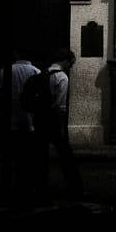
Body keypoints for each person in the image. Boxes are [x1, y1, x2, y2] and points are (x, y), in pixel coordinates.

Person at [32, 49, 84, 203]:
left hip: (40, 119)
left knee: (41, 155)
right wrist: (61, 126)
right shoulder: (61, 77)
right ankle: (74, 186)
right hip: (53, 121)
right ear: (66, 61)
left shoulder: (42, 73)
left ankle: (41, 185)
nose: (71, 67)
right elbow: (60, 105)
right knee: (65, 155)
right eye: (71, 63)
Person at [0, 51, 40, 197]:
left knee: (8, 159)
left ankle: (6, 188)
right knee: (26, 159)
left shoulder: (3, 72)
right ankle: (24, 187)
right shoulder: (36, 71)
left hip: (9, 121)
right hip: (29, 122)